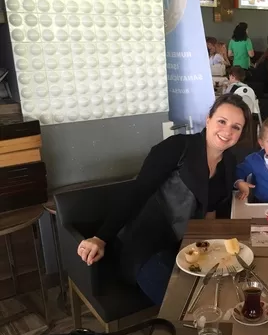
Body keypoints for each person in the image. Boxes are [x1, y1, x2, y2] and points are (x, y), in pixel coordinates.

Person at [76, 94, 251, 305]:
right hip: (147, 246)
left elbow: (210, 210)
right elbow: (137, 192)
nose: (227, 131)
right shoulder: (177, 147)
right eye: (222, 121)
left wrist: (210, 247)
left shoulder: (229, 162)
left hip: (188, 246)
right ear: (208, 119)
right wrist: (101, 237)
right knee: (185, 305)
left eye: (236, 127)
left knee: (223, 293)